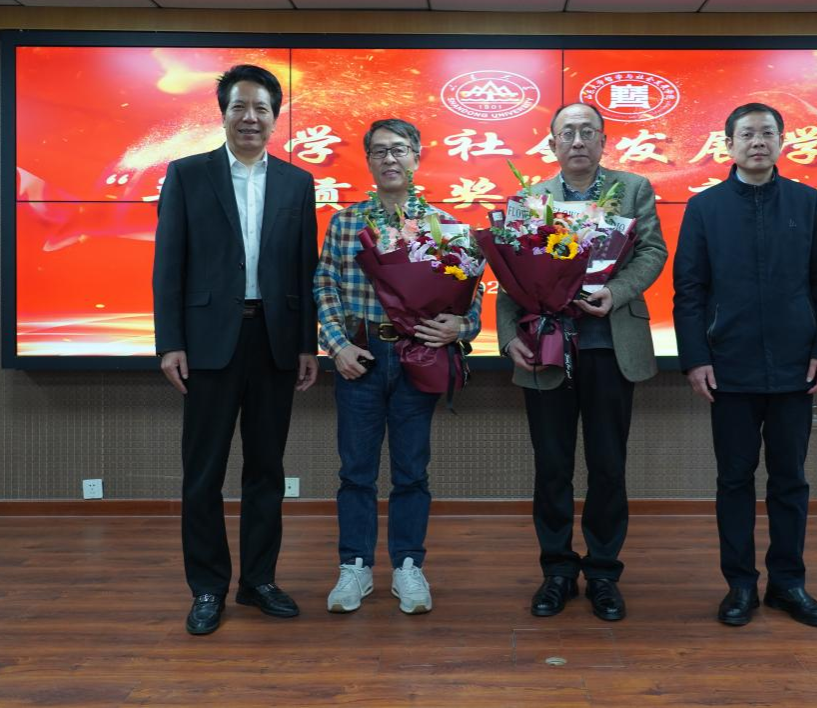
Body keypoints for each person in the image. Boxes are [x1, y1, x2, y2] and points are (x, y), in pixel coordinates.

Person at [153, 64, 319, 636]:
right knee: (203, 473)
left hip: (274, 340)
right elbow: (168, 264)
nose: (251, 117)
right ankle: (207, 588)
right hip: (206, 343)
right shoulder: (187, 175)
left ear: (275, 118)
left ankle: (259, 581)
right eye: (239, 107)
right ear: (223, 114)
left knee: (267, 469)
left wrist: (307, 343)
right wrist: (170, 342)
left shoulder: (298, 183)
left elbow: (303, 268)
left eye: (261, 109)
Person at [673, 102, 817, 628]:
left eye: (767, 133)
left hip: (796, 368)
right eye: (747, 134)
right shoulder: (705, 208)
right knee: (734, 479)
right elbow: (689, 292)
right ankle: (741, 585)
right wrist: (695, 359)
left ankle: (788, 584)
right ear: (728, 144)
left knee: (790, 479)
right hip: (728, 368)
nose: (757, 142)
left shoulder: (807, 202)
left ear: (781, 142)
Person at [496, 102, 667, 622]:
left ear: (603, 141)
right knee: (551, 465)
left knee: (608, 465)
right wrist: (507, 337)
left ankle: (604, 573)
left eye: (588, 131)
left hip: (610, 346)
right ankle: (557, 571)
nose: (577, 140)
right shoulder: (529, 200)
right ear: (551, 143)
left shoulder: (633, 189)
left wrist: (617, 292)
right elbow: (510, 273)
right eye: (567, 132)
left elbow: (652, 252)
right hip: (546, 347)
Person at [314, 118, 483, 616]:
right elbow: (324, 286)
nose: (390, 159)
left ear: (417, 157)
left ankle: (408, 565)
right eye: (380, 151)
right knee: (356, 472)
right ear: (368, 160)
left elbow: (470, 298)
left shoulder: (444, 225)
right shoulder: (345, 223)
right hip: (360, 358)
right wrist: (337, 346)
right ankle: (355, 566)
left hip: (417, 358)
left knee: (411, 471)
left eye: (400, 149)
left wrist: (460, 326)